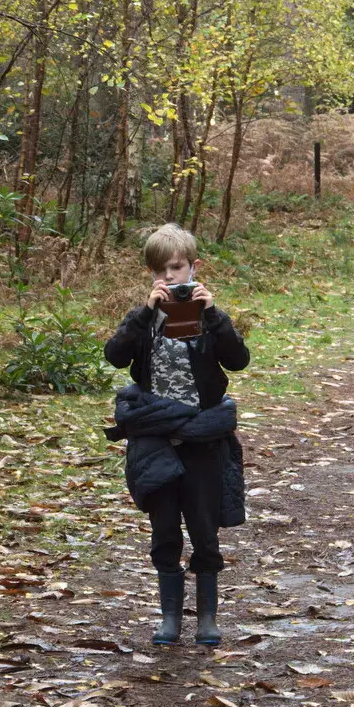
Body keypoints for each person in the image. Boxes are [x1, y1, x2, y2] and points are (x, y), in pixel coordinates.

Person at [104, 223, 250, 646]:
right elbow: (115, 356)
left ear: (193, 267)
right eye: (159, 271)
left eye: (176, 268)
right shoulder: (144, 318)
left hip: (203, 437)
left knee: (204, 528)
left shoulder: (209, 317)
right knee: (164, 528)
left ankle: (207, 618)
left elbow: (237, 361)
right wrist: (145, 314)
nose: (168, 279)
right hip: (155, 438)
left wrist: (215, 315)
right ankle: (170, 617)